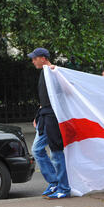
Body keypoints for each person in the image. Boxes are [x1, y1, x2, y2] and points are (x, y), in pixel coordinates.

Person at [28, 47, 71, 199]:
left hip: (54, 117)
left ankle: (64, 188)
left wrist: (58, 72)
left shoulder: (53, 72)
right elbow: (46, 98)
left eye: (35, 58)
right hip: (45, 116)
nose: (33, 61)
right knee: (37, 149)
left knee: (56, 151)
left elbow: (68, 90)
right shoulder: (44, 73)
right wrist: (37, 115)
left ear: (44, 58)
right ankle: (54, 182)